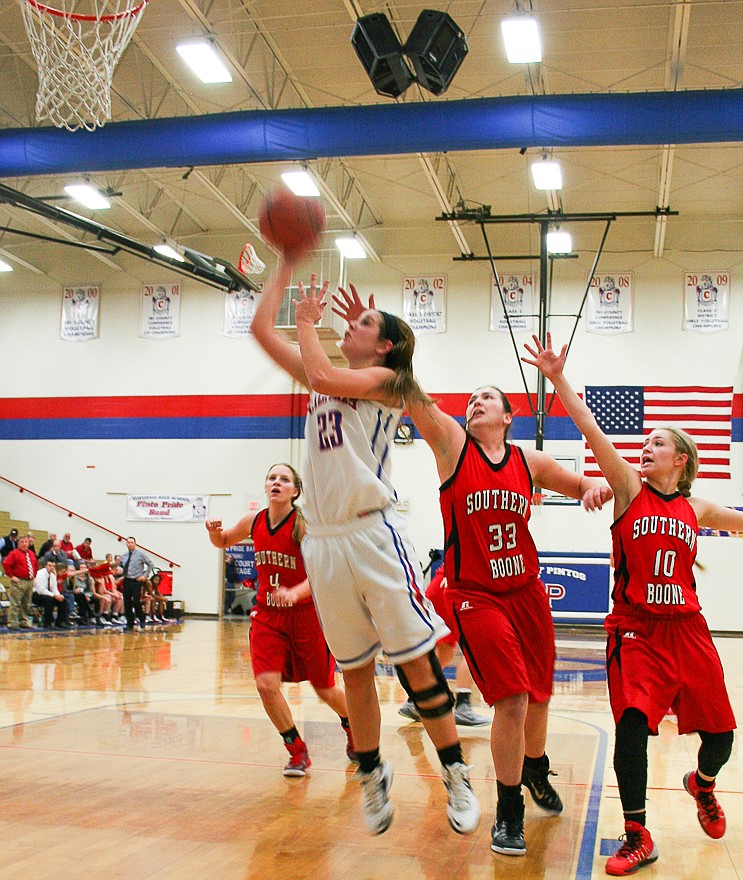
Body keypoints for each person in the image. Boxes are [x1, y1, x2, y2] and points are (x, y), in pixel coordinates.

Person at [251, 254, 480, 837]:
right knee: (354, 672)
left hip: (372, 533)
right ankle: (374, 771)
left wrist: (307, 321)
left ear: (385, 348)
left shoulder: (389, 382)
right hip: (323, 541)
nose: (351, 325)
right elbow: (260, 331)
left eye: (365, 324)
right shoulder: (326, 371)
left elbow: (325, 375)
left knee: (417, 666)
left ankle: (455, 772)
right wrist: (281, 266)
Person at [524, 333, 743, 876]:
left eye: (657, 444)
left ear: (683, 460)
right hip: (637, 631)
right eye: (643, 443)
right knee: (633, 725)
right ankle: (637, 832)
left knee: (722, 736)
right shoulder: (627, 487)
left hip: (688, 630)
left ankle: (702, 784)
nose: (645, 448)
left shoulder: (697, 507)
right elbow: (590, 429)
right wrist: (556, 380)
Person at [207, 463, 358, 776]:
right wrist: (214, 532)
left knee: (324, 688)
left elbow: (322, 572)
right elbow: (223, 542)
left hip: (305, 614)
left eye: (284, 479)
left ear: (295, 490)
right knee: (265, 685)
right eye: (272, 478)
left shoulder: (303, 525)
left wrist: (296, 593)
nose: (277, 482)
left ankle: (353, 727)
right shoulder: (254, 520)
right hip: (267, 615)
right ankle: (296, 750)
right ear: (265, 487)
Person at [398, 568, 490, 727]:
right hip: (456, 586)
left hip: (440, 586)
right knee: (475, 646)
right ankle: (462, 706)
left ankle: (416, 699)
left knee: (446, 650)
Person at [2, 533, 38, 629]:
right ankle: (12, 622)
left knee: (26, 602)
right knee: (16, 602)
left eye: (26, 542)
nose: (24, 544)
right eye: (22, 542)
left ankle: (24, 621)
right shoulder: (14, 553)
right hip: (19, 581)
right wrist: (11, 576)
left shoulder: (31, 553)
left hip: (29, 581)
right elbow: (6, 564)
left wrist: (34, 576)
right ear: (18, 543)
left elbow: (35, 565)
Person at [119, 537, 153, 631]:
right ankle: (129, 623)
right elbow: (120, 566)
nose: (130, 544)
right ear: (126, 544)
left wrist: (144, 575)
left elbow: (150, 564)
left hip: (137, 580)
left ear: (135, 544)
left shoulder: (140, 554)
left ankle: (142, 618)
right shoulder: (124, 556)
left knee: (136, 601)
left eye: (131, 542)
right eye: (128, 542)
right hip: (127, 579)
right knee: (127, 602)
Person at [32, 559, 71, 629]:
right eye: (49, 565)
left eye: (53, 566)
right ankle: (48, 623)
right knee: (49, 600)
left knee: (63, 601)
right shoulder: (40, 574)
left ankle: (60, 622)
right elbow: (41, 590)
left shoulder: (53, 575)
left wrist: (59, 596)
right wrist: (54, 595)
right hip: (36, 594)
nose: (51, 567)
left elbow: (54, 589)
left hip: (48, 594)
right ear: (45, 566)